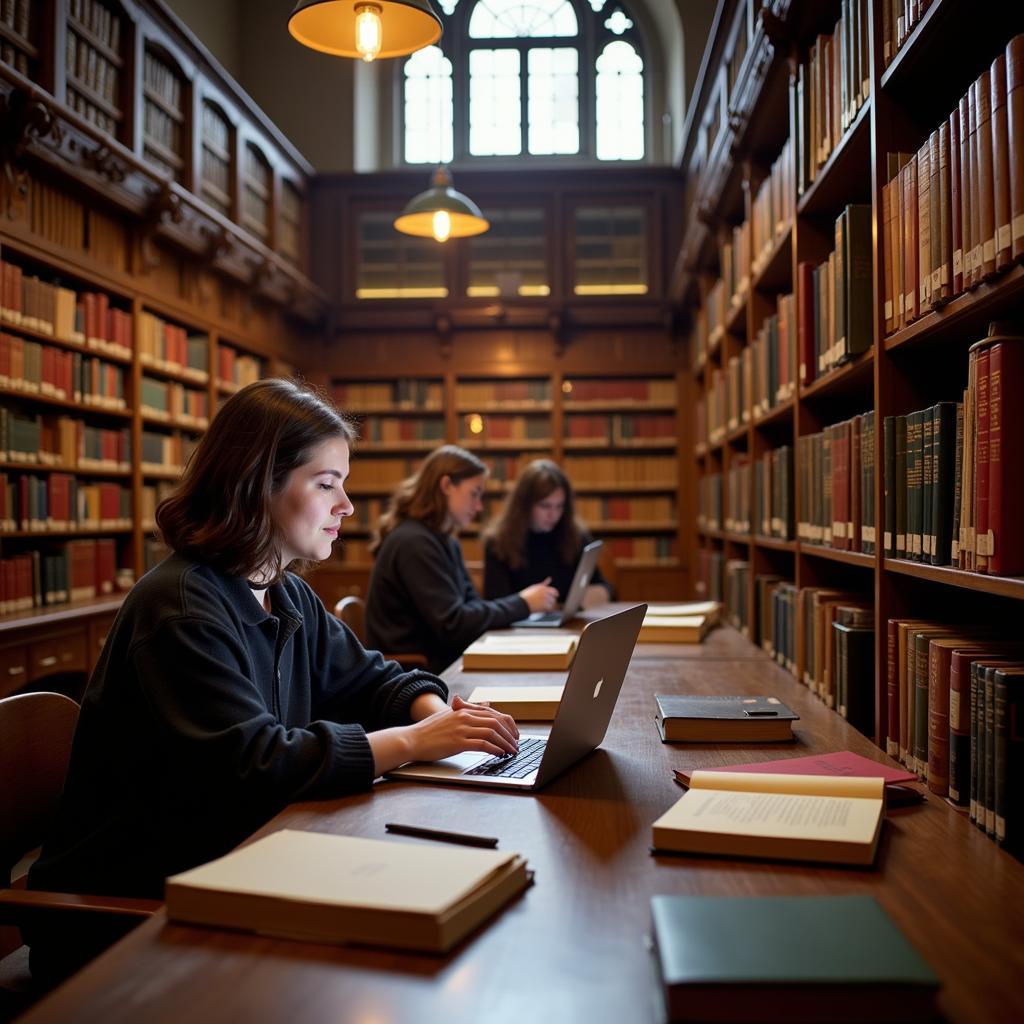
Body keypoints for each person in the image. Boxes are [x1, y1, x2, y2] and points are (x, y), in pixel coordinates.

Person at [26, 380, 520, 986]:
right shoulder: (181, 609)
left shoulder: (284, 592)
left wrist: (435, 711)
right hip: (131, 914)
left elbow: (372, 678)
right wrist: (419, 742)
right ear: (259, 482)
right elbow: (254, 765)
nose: (348, 506)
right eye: (326, 483)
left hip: (234, 865)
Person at [365, 445, 559, 673]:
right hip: (415, 674)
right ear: (447, 485)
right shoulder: (414, 543)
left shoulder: (445, 542)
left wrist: (522, 604)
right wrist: (523, 603)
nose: (478, 507)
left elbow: (471, 609)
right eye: (474, 493)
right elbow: (453, 625)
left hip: (441, 663)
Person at [483, 459, 614, 606]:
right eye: (545, 506)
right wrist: (528, 604)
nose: (553, 515)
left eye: (559, 506)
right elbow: (494, 604)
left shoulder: (575, 536)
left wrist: (591, 596)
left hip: (568, 625)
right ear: (524, 505)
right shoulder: (498, 542)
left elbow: (604, 588)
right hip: (519, 626)